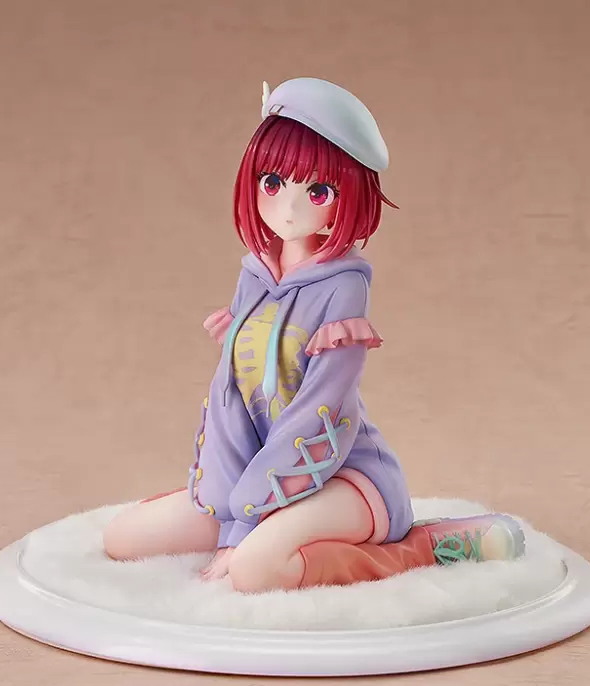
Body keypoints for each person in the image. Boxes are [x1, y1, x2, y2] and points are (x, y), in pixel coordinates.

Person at [103, 78, 525, 593]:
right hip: (260, 478)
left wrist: (246, 523)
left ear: (350, 195)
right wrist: (230, 510)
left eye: (318, 192)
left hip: (344, 476)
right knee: (123, 538)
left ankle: (425, 547)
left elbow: (319, 411)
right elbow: (230, 398)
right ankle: (253, 521)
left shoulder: (344, 287)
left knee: (254, 570)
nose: (288, 208)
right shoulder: (255, 276)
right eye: (272, 182)